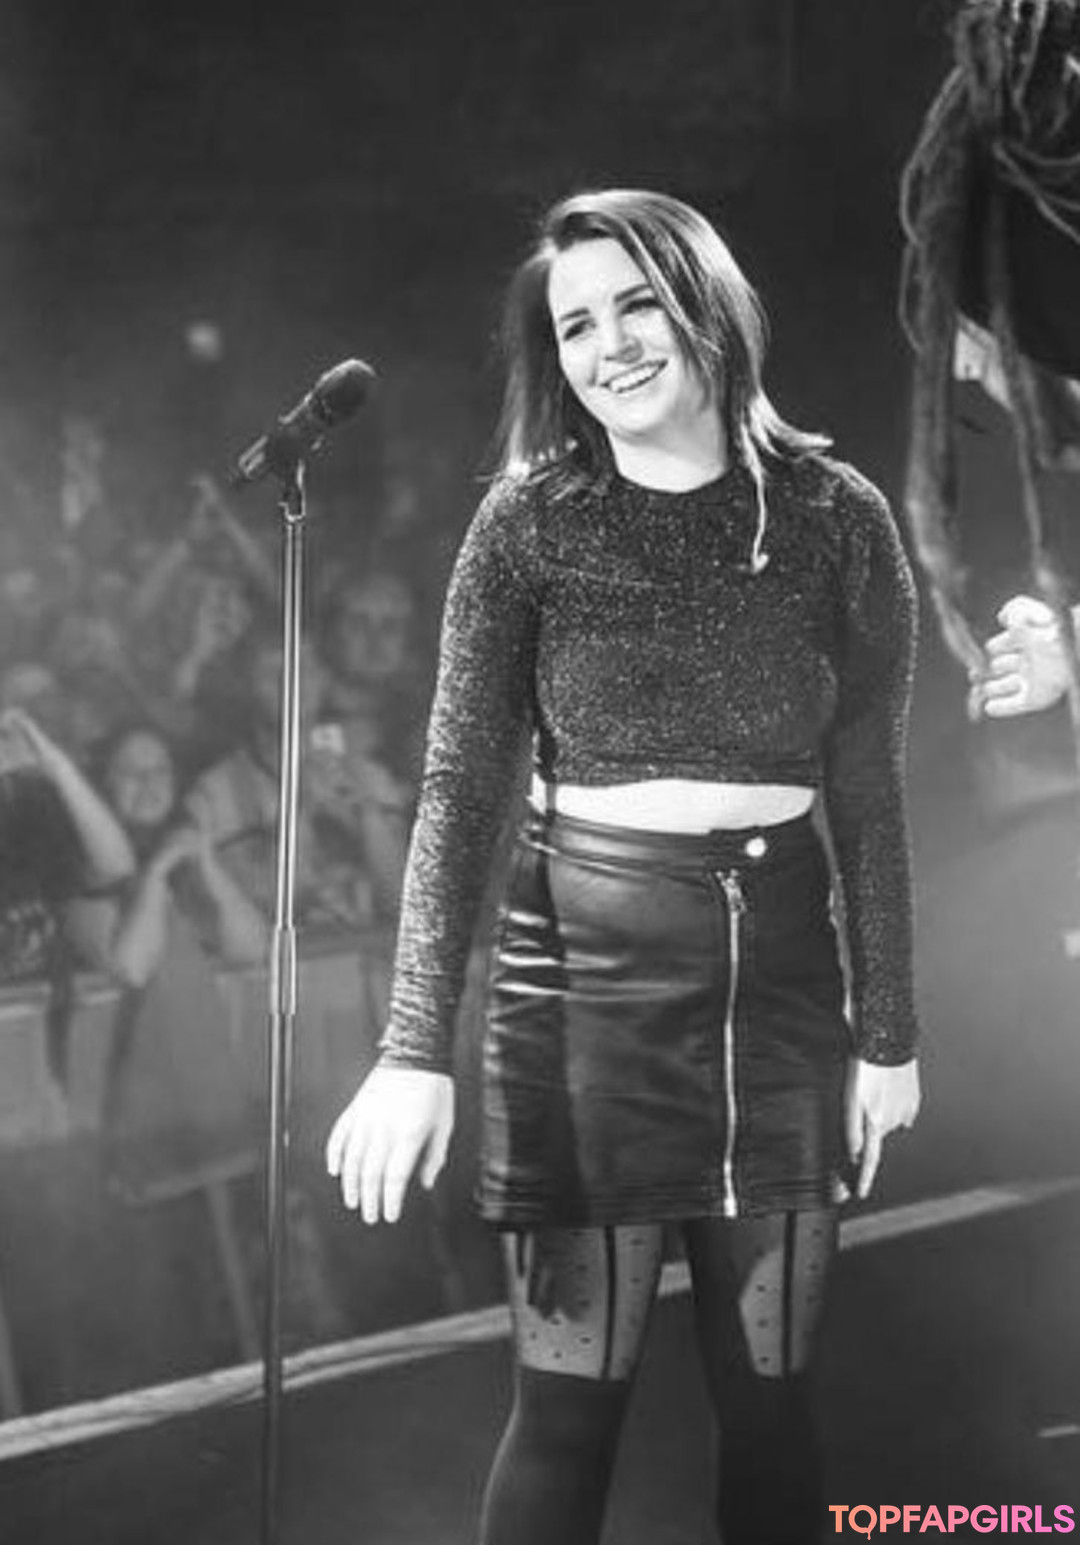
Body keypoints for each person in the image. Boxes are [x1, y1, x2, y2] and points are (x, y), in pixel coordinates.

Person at [326, 188, 922, 1545]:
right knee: (567, 1409)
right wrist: (413, 1047)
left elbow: (870, 792)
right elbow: (461, 793)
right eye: (577, 324)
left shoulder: (837, 515)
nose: (611, 345)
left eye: (638, 304)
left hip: (778, 987)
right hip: (582, 986)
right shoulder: (528, 523)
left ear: (709, 305)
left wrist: (889, 1029)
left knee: (772, 1399)